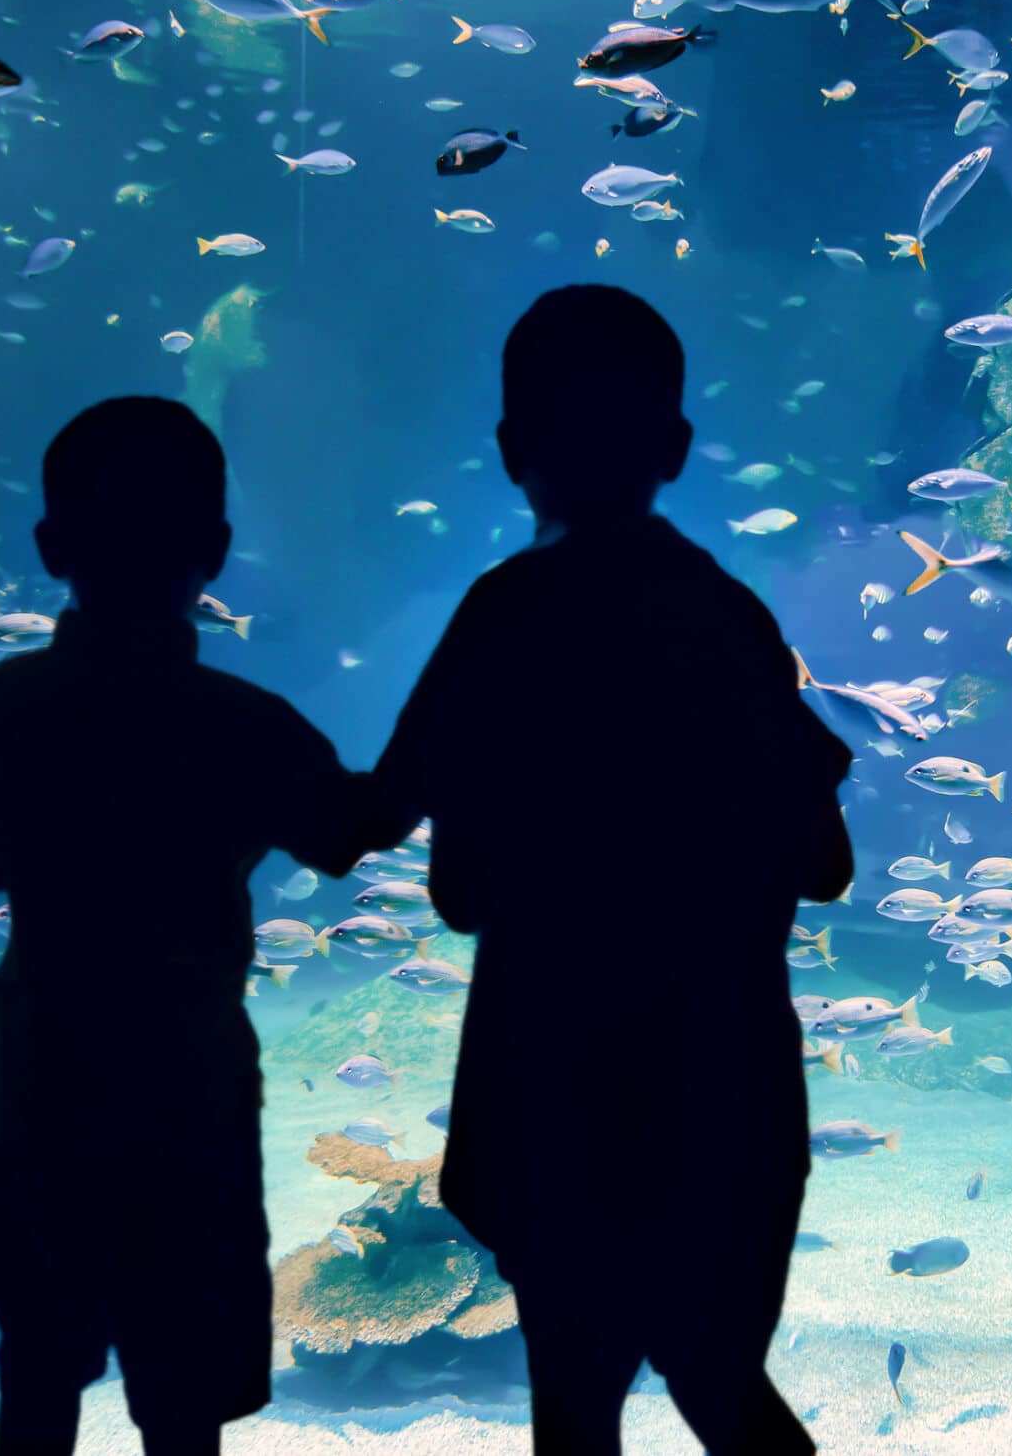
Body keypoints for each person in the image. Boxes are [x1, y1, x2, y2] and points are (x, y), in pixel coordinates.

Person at [375, 286, 853, 1455]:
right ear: (678, 450)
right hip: (725, 1084)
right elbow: (828, 864)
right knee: (719, 1380)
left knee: (573, 1410)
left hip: (553, 1082)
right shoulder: (731, 620)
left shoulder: (502, 615)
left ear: (507, 454)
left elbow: (445, 882)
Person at [0, 396, 396, 1456]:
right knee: (183, 1388)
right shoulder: (243, 726)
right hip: (184, 1081)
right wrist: (442, 735)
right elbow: (346, 832)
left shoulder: (7, 701)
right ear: (216, 554)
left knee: (38, 1369)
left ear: (53, 547)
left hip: (44, 1074)